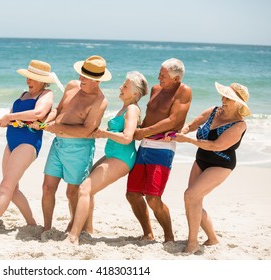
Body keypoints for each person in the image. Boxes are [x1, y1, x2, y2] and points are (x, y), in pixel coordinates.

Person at [65, 71, 148, 244]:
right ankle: (87, 229)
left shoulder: (132, 109)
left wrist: (104, 133)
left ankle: (73, 236)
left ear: (135, 93)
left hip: (122, 157)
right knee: (87, 187)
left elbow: (127, 138)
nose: (121, 87)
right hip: (112, 155)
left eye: (125, 86)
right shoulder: (125, 107)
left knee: (85, 189)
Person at [0, 60, 55, 235]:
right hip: (11, 141)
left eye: (32, 78)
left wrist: (10, 115)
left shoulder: (46, 94)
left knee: (5, 186)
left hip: (28, 143)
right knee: (13, 189)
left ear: (43, 80)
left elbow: (38, 114)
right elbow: (9, 122)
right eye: (28, 77)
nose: (29, 80)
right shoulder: (23, 94)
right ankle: (32, 224)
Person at [172, 82, 250, 253]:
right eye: (224, 96)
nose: (223, 100)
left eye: (228, 98)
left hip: (221, 164)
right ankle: (212, 239)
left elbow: (216, 145)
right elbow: (193, 125)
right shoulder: (214, 111)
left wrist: (189, 141)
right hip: (201, 159)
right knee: (193, 199)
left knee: (190, 195)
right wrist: (182, 133)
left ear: (238, 103)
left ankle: (192, 242)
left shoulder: (239, 125)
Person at [41, 55, 111, 233]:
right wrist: (46, 122)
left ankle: (76, 227)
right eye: (81, 74)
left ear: (97, 80)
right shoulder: (72, 86)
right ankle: (47, 228)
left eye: (85, 78)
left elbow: (87, 130)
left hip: (79, 148)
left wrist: (58, 127)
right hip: (58, 143)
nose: (80, 79)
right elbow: (58, 110)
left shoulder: (100, 101)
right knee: (47, 187)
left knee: (72, 192)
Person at [126, 58, 192, 242]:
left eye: (163, 75)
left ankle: (169, 236)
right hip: (144, 146)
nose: (158, 77)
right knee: (132, 194)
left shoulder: (184, 91)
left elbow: (173, 120)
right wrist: (134, 127)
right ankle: (148, 233)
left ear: (176, 78)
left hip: (162, 148)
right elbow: (151, 115)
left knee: (153, 198)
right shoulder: (155, 89)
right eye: (159, 73)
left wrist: (144, 131)